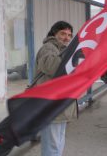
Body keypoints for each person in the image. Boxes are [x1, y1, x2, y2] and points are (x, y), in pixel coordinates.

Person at [34, 21, 77, 156]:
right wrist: (76, 61)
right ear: (54, 33)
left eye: (69, 35)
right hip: (51, 104)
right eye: (63, 33)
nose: (67, 38)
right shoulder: (48, 47)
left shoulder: (62, 49)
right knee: (52, 145)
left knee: (58, 142)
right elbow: (53, 66)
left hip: (59, 104)